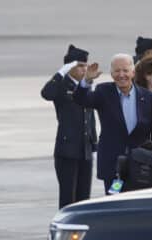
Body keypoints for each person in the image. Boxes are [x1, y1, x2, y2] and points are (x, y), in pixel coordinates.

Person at [73, 53, 152, 195]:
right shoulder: (103, 92)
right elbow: (80, 100)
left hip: (141, 165)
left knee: (138, 205)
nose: (121, 75)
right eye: (117, 71)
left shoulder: (148, 97)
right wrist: (86, 80)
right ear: (112, 74)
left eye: (125, 70)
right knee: (114, 206)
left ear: (133, 72)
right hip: (112, 167)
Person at [41, 44, 97, 209]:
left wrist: (94, 142)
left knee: (84, 199)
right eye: (80, 66)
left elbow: (90, 116)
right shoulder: (61, 85)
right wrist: (61, 72)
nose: (84, 69)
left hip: (85, 150)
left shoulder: (85, 85)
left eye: (85, 65)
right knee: (68, 199)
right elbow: (46, 93)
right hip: (67, 150)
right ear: (69, 67)